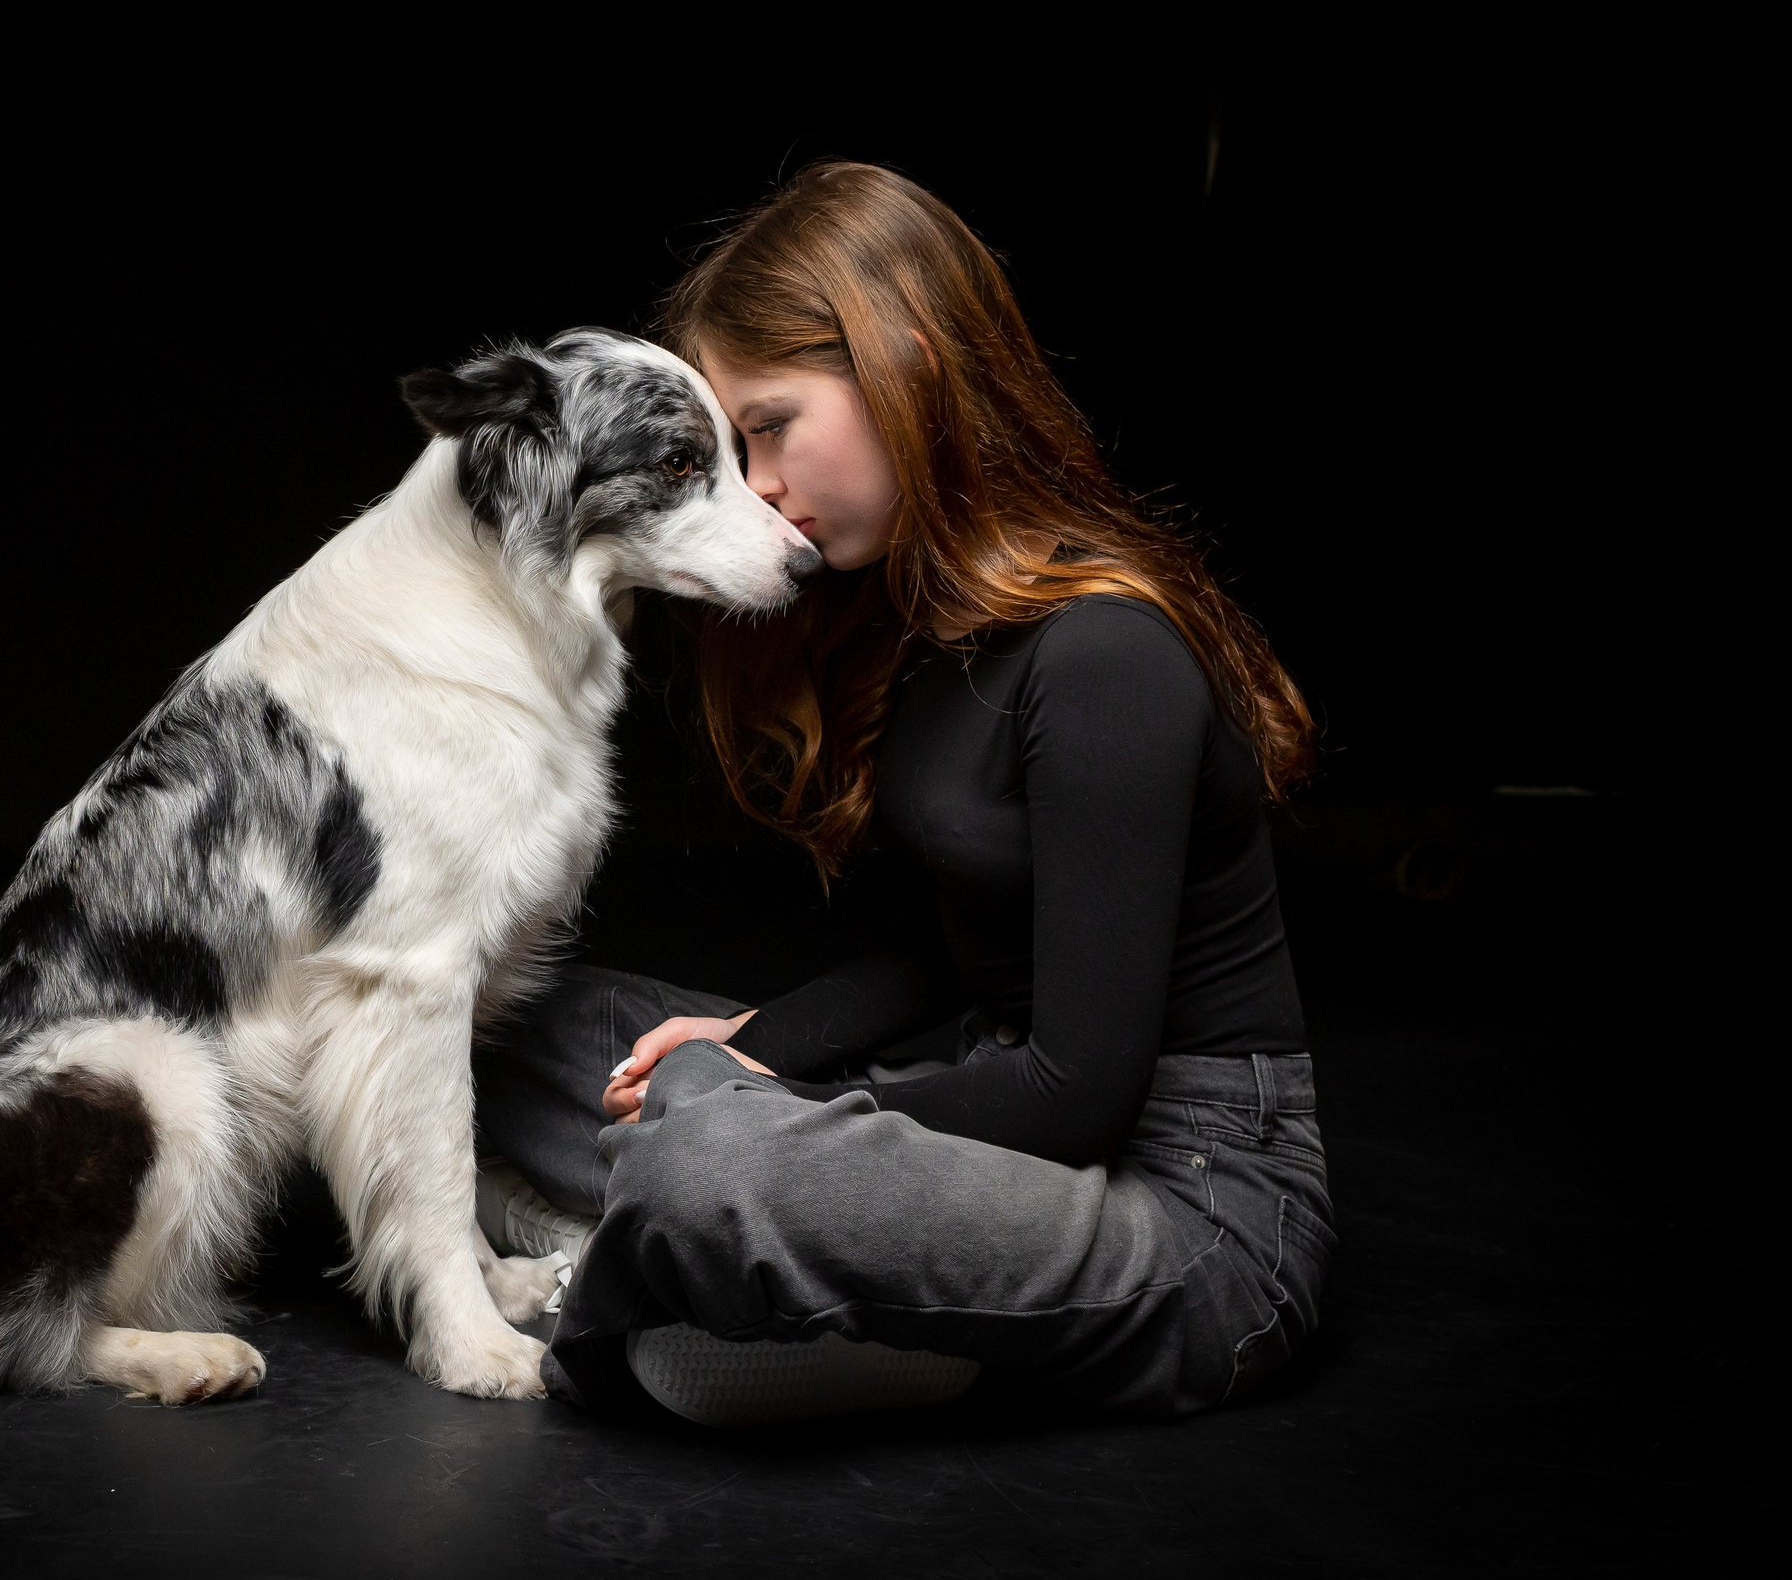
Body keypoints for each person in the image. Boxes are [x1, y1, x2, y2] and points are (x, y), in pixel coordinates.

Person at [472, 161, 1334, 1422]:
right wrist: (751, 1046)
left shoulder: (1104, 651)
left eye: (767, 425)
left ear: (906, 365)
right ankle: (729, 1268)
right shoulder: (936, 622)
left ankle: (647, 1257)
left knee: (710, 1148)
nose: (751, 483)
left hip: (1192, 1213)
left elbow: (1079, 1086)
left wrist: (772, 1103)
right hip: (997, 1114)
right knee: (528, 1019)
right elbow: (957, 941)